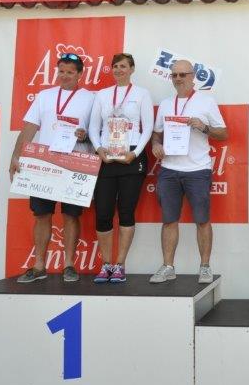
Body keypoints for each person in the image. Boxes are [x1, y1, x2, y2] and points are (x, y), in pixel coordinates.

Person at [9, 53, 95, 283]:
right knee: (41, 214)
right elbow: (29, 128)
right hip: (44, 163)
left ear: (79, 74)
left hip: (75, 163)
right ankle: (39, 265)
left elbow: (97, 132)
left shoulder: (90, 98)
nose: (64, 76)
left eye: (70, 72)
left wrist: (85, 135)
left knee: (71, 215)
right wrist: (15, 156)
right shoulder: (44, 96)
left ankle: (69, 265)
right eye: (61, 71)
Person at [149, 60, 228, 284]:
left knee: (202, 220)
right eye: (174, 75)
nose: (178, 79)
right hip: (169, 169)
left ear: (193, 76)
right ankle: (168, 267)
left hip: (197, 170)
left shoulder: (206, 101)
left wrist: (203, 126)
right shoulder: (166, 103)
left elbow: (223, 133)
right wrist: (156, 144)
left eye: (183, 74)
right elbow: (157, 133)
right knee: (169, 221)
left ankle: (205, 267)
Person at [88, 53, 154, 283]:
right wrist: (99, 149)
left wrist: (135, 153)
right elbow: (93, 127)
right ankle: (106, 264)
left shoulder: (142, 93)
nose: (118, 70)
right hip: (106, 157)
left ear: (132, 69)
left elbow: (148, 127)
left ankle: (120, 265)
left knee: (126, 211)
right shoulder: (102, 95)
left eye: (123, 66)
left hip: (131, 156)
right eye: (115, 66)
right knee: (103, 213)